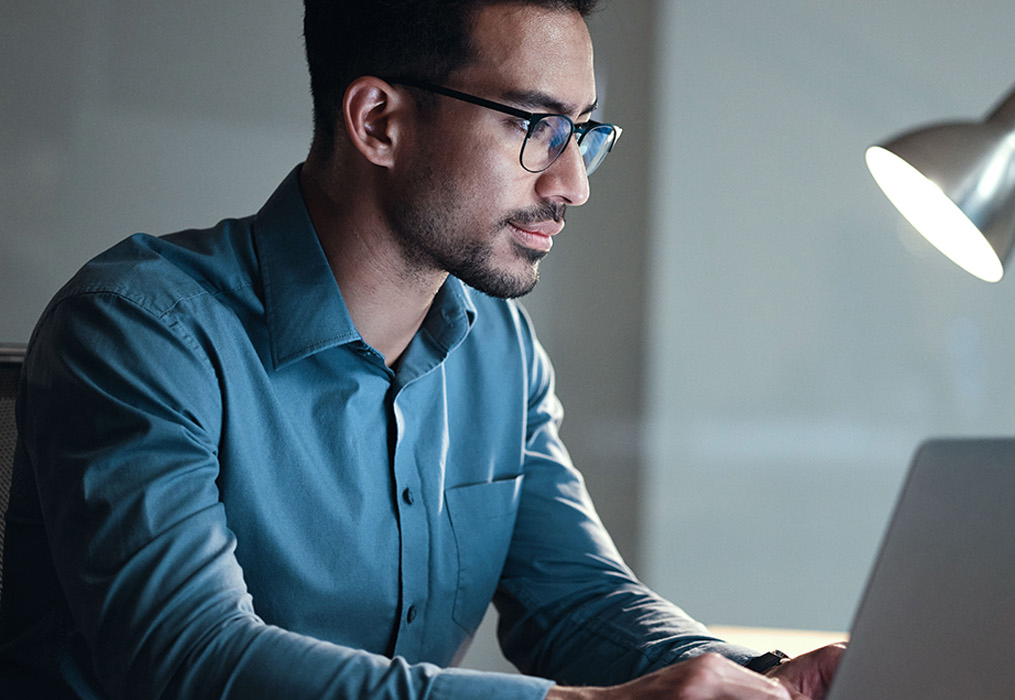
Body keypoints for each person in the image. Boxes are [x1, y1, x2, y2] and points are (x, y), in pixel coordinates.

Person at [0, 1, 844, 698]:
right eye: (535, 126)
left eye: (582, 132)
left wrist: (759, 681)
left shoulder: (500, 349)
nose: (572, 183)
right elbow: (190, 656)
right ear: (379, 121)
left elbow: (577, 599)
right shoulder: (137, 329)